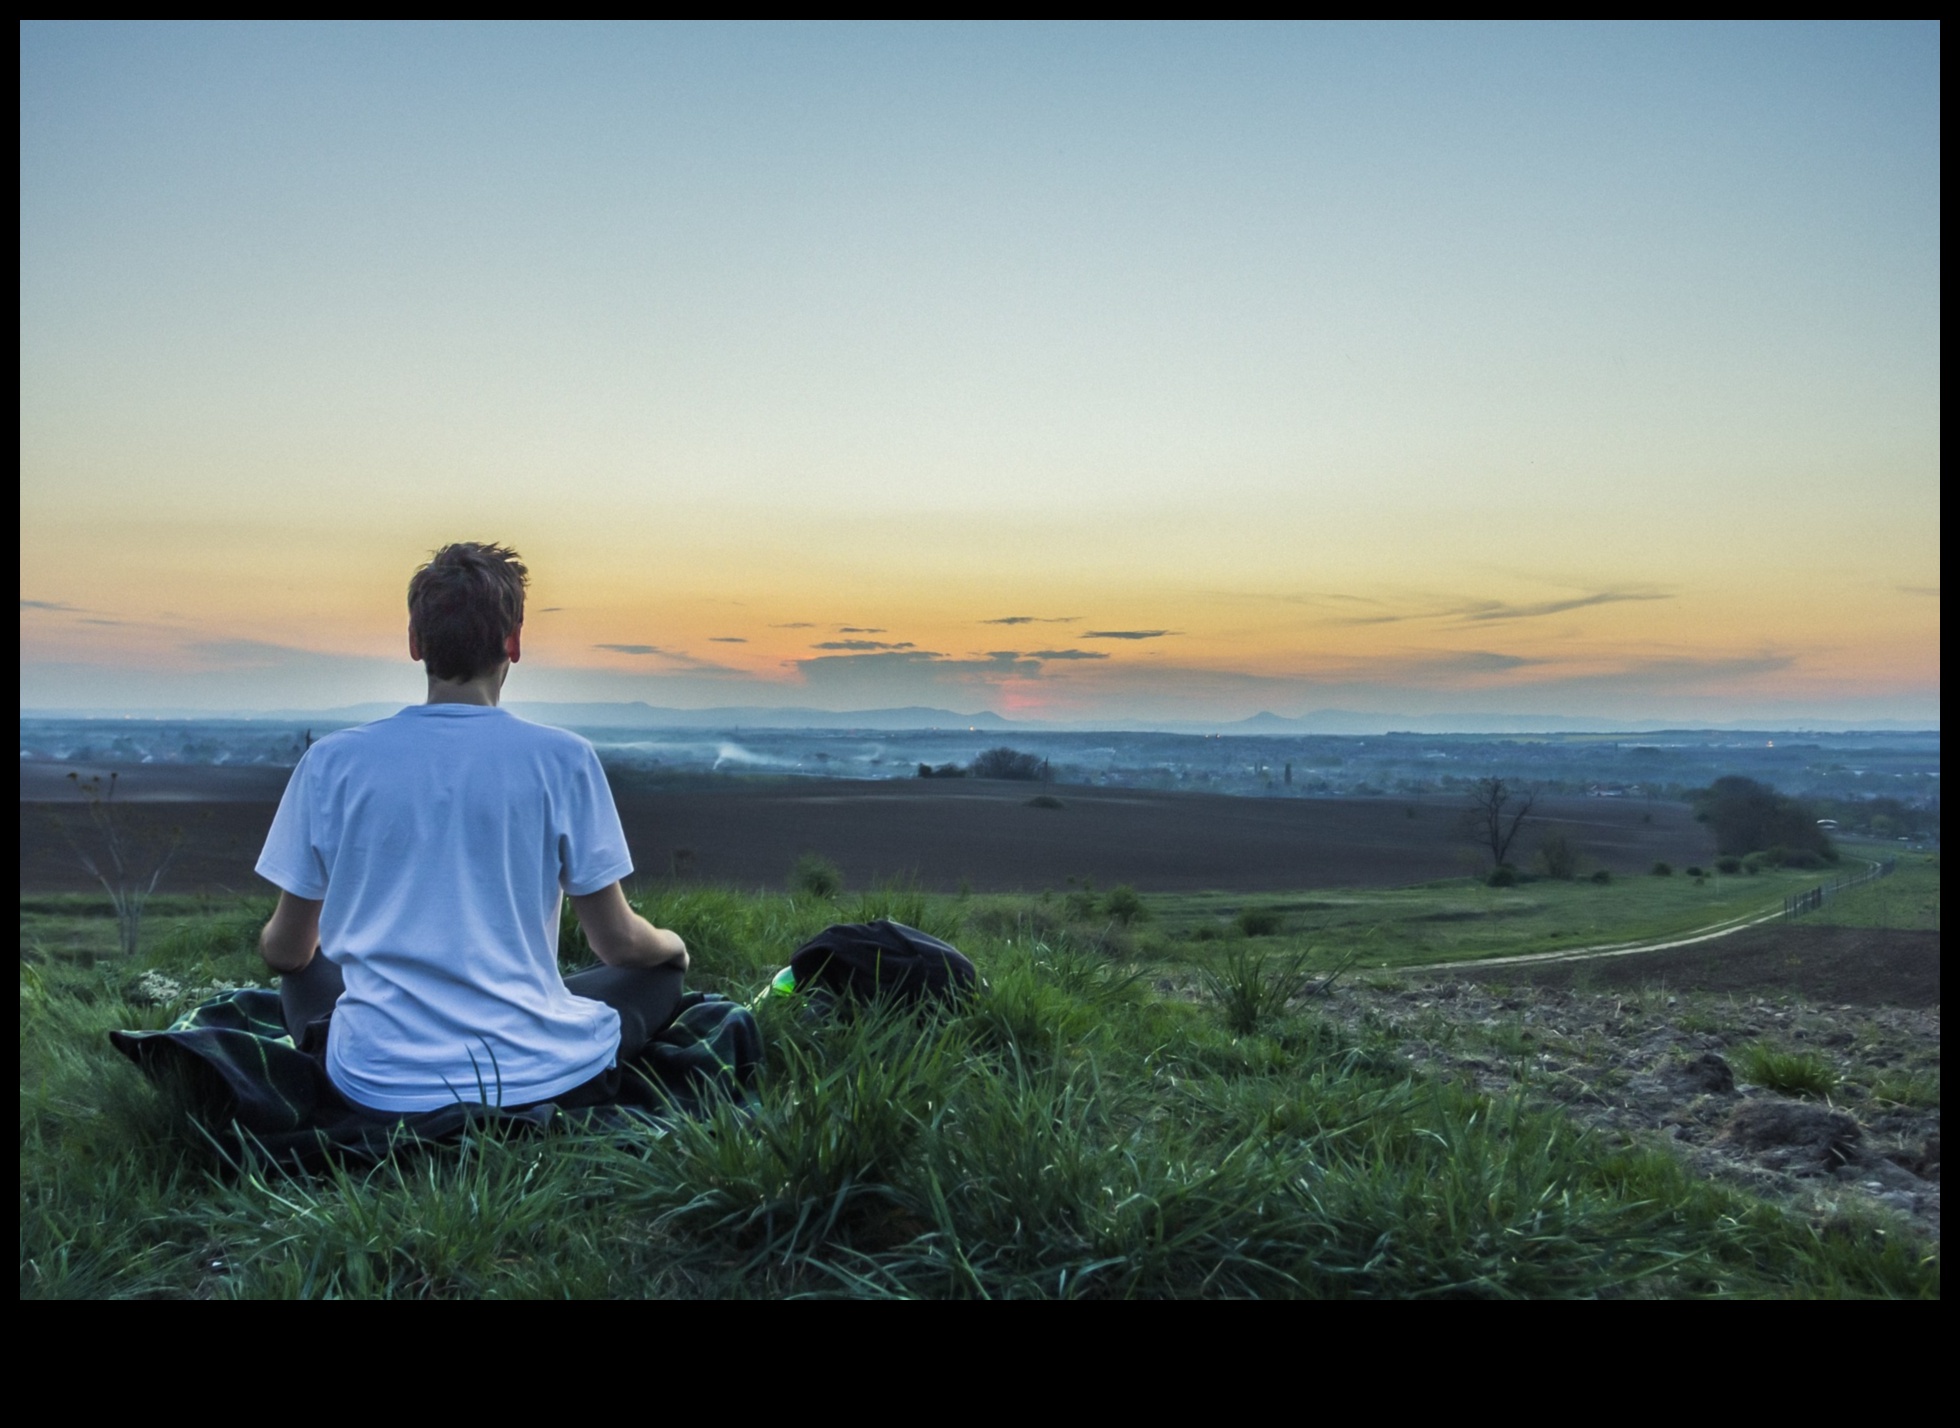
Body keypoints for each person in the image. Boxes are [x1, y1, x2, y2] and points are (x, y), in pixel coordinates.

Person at [254, 542, 690, 1113]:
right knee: (656, 977)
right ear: (513, 642)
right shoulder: (563, 759)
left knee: (306, 969)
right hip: (534, 1074)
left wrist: (311, 951)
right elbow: (618, 945)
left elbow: (285, 953)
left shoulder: (332, 763)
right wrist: (673, 947)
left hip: (376, 1082)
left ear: (415, 643)